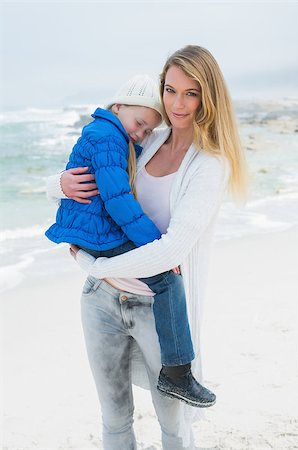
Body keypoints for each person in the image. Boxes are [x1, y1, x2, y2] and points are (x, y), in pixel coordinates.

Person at [47, 45, 247, 450]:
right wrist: (57, 184)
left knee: (175, 427)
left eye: (190, 93)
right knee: (114, 420)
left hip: (157, 308)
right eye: (170, 90)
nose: (177, 103)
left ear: (208, 97)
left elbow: (172, 250)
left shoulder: (209, 164)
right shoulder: (147, 139)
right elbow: (96, 182)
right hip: (101, 301)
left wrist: (94, 265)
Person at [45, 73, 216, 408]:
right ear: (118, 106)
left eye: (146, 130)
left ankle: (177, 373)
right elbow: (119, 201)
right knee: (167, 280)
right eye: (138, 123)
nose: (139, 134)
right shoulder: (109, 138)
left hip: (91, 232)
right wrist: (154, 245)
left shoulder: (110, 133)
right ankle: (178, 373)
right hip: (97, 234)